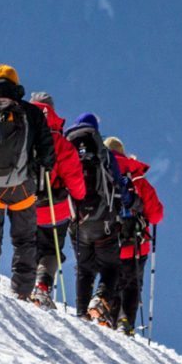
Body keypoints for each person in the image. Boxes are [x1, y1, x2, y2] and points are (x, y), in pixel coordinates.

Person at [0, 66, 54, 299]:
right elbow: (47, 150)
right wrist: (39, 172)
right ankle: (22, 291)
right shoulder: (30, 112)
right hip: (22, 186)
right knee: (25, 239)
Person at [26, 92, 86, 306]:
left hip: (24, 201)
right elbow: (76, 183)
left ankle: (22, 284)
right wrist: (79, 199)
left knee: (26, 243)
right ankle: (42, 287)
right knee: (51, 249)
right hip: (55, 207)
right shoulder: (61, 143)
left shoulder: (23, 131)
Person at [102, 135, 164, 335]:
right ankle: (125, 323)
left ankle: (108, 318)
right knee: (132, 285)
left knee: (111, 281)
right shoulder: (137, 178)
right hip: (137, 245)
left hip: (108, 240)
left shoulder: (101, 173)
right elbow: (156, 215)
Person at [64, 114, 121, 319]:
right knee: (111, 266)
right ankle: (101, 298)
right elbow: (118, 183)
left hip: (76, 219)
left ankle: (81, 312)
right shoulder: (103, 153)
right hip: (103, 219)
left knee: (84, 269)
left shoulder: (68, 148)